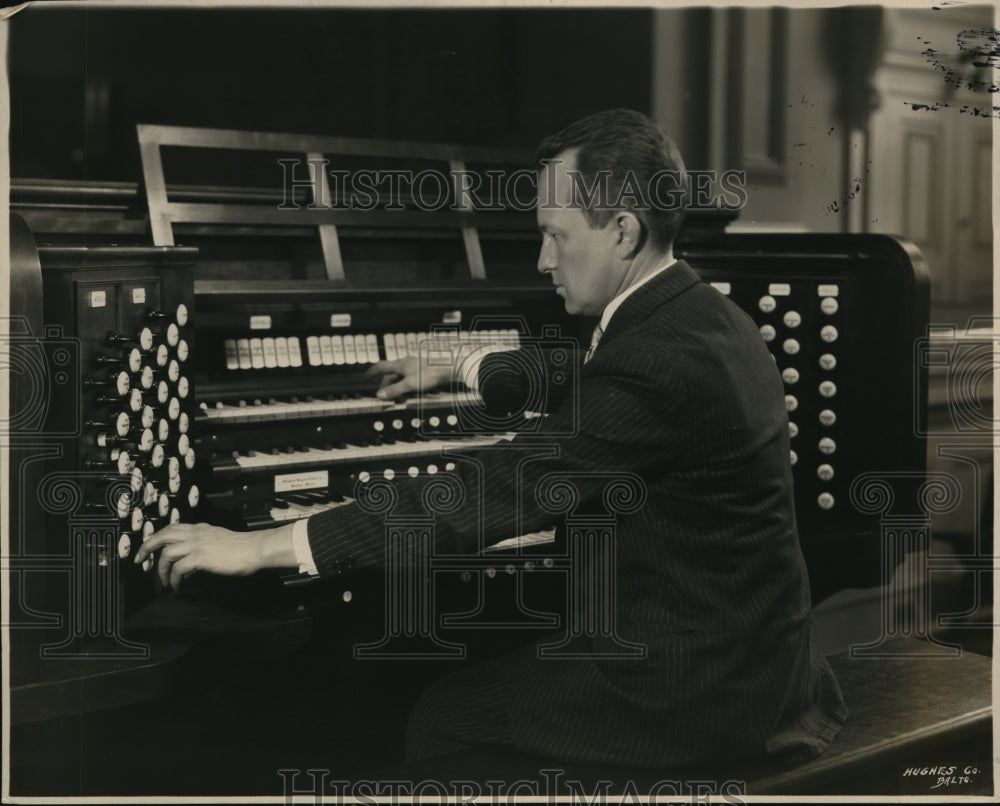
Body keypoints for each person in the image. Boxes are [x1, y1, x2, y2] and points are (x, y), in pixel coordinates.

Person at [136, 108, 847, 770]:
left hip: (694, 695)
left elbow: (482, 495)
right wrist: (457, 363)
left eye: (555, 235)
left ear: (623, 231)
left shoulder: (655, 363)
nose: (542, 260)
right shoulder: (699, 315)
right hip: (754, 659)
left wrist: (262, 544)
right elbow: (584, 373)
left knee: (441, 714)